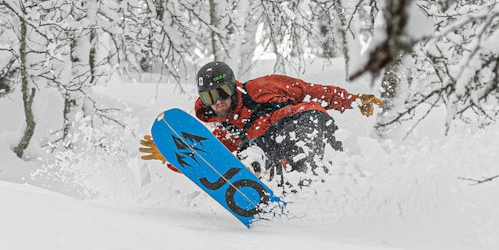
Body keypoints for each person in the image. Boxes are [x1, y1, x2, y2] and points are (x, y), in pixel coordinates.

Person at [140, 61, 383, 178]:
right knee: (292, 174)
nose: (217, 102)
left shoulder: (263, 87)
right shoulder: (229, 131)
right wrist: (172, 155)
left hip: (309, 123)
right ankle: (300, 195)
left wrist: (353, 100)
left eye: (222, 92)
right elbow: (209, 156)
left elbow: (313, 91)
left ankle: (254, 162)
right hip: (284, 150)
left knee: (260, 143)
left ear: (233, 87)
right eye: (209, 97)